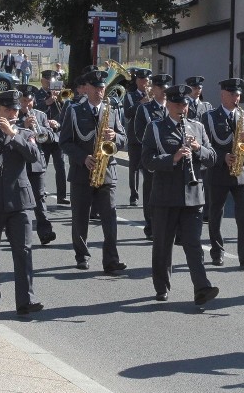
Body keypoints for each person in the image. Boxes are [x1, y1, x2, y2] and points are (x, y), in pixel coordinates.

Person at [141, 84, 219, 305]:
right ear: (168, 104)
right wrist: (172, 158)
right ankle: (161, 287)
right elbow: (146, 161)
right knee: (163, 245)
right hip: (165, 197)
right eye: (177, 104)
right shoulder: (155, 128)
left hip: (193, 196)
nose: (181, 108)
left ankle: (202, 288)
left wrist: (197, 149)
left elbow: (212, 158)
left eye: (184, 104)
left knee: (193, 244)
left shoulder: (197, 127)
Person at [0, 90, 43, 315]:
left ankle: (26, 300)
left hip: (20, 201)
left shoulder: (23, 132)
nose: (13, 113)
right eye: (7, 110)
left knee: (23, 250)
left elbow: (35, 157)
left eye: (15, 109)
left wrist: (13, 134)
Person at [59, 69, 127, 272]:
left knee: (110, 218)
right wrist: (82, 158)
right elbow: (65, 142)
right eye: (96, 87)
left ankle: (111, 260)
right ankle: (82, 255)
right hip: (82, 172)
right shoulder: (74, 110)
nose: (100, 91)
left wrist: (115, 136)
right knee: (80, 217)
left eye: (102, 87)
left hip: (107, 172)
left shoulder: (112, 110)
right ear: (86, 88)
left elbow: (124, 140)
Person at [201, 78, 244, 268]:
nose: (237, 97)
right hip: (218, 172)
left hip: (241, 172)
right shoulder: (209, 117)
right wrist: (222, 156)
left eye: (239, 94)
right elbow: (204, 145)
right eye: (233, 94)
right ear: (223, 94)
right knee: (215, 214)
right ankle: (217, 253)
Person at [17, 84, 57, 245]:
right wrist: (23, 127)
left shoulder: (40, 115)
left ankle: (45, 232)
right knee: (19, 200)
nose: (28, 104)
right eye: (24, 101)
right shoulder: (13, 115)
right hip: (19, 163)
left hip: (37, 163)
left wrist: (44, 132)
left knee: (40, 198)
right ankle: (18, 231)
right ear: (19, 101)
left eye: (30, 101)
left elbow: (51, 137)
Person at [134, 73, 171, 238]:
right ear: (153, 89)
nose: (164, 91)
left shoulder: (173, 107)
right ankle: (150, 225)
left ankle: (168, 224)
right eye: (161, 88)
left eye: (166, 89)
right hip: (153, 157)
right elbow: (139, 133)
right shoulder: (145, 109)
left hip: (171, 157)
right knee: (151, 192)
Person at [34, 70, 68, 205]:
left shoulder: (60, 95)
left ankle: (62, 196)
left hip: (58, 135)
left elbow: (65, 112)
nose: (50, 83)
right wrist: (48, 101)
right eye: (47, 80)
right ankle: (40, 192)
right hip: (44, 135)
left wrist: (59, 99)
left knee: (61, 166)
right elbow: (36, 109)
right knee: (42, 166)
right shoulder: (38, 94)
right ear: (42, 81)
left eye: (52, 81)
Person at [185, 76, 213, 221]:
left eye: (199, 88)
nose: (197, 90)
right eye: (195, 88)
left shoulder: (206, 106)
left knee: (206, 183)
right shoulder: (183, 104)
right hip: (188, 145)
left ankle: (206, 212)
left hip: (201, 144)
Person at [123, 68, 151, 206]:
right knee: (133, 167)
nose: (145, 83)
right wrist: (141, 102)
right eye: (142, 80)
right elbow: (127, 113)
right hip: (135, 137)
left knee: (149, 168)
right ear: (137, 81)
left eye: (147, 80)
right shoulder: (130, 96)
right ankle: (134, 195)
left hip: (149, 138)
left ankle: (149, 193)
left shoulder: (153, 96)